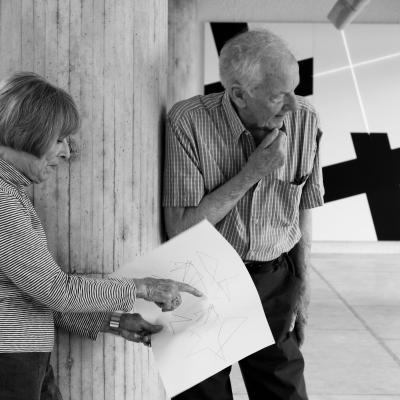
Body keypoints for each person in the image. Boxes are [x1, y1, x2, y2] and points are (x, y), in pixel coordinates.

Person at [0, 72, 203, 400]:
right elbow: (55, 291)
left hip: (20, 358)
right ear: (27, 133)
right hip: (10, 364)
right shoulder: (2, 199)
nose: (68, 153)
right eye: (59, 139)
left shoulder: (11, 192)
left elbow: (34, 291)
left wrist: (112, 321)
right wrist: (143, 288)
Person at [163, 29, 324, 400]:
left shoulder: (306, 120)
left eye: (294, 91)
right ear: (238, 94)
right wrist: (253, 172)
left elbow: (303, 211)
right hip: (201, 280)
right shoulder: (187, 121)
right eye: (278, 96)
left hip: (274, 278)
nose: (292, 106)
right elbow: (182, 229)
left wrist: (303, 288)